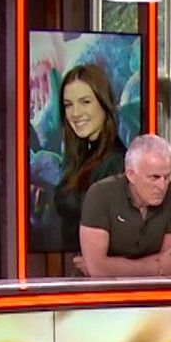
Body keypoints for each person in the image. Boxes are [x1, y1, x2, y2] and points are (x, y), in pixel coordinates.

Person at [76, 134, 171, 277]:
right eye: (154, 177)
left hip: (156, 288)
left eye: (166, 177)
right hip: (102, 289)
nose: (162, 186)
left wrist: (111, 265)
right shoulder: (100, 194)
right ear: (130, 175)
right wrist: (156, 267)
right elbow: (97, 269)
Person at [50, 63, 127, 255]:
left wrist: (94, 262)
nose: (75, 113)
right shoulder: (80, 157)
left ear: (104, 103)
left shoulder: (116, 162)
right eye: (68, 105)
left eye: (85, 102)